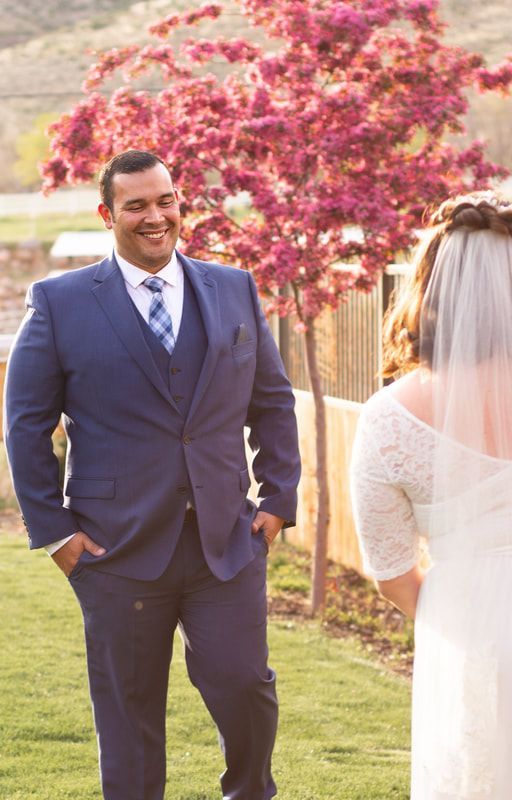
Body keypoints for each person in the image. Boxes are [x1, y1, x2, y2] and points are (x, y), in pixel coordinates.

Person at [4, 150, 301, 800]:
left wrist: (277, 498)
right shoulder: (59, 303)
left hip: (226, 544)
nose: (154, 216)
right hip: (116, 551)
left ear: (179, 203)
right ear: (108, 214)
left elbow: (272, 400)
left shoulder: (232, 288)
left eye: (164, 200)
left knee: (245, 688)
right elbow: (26, 426)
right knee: (130, 718)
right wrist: (57, 535)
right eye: (136, 205)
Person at [350, 192, 512, 798]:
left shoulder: (387, 418)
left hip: (464, 627)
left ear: (426, 289)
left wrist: (467, 616)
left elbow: (393, 574)